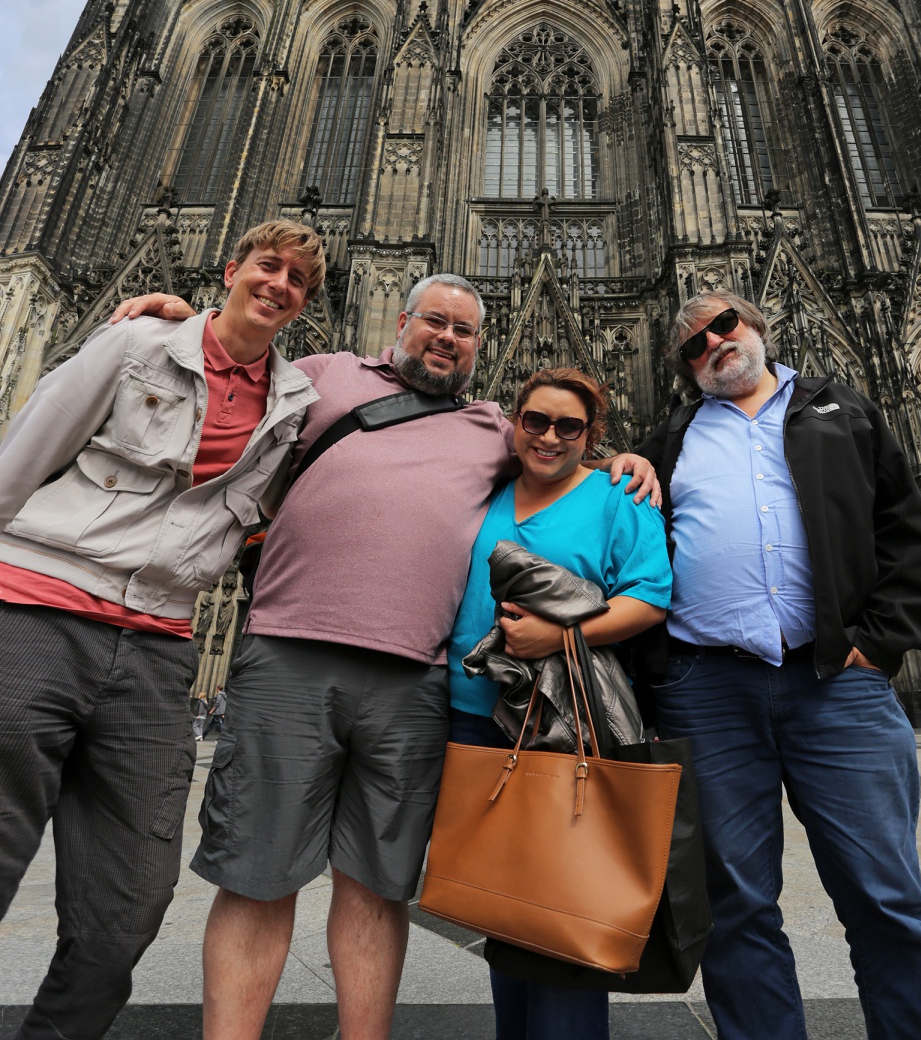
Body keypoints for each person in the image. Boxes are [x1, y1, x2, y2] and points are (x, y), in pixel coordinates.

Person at [114, 274, 660, 1040]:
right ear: (400, 323)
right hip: (289, 657)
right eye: (433, 321)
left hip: (413, 679)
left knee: (376, 885)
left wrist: (625, 460)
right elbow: (232, 378)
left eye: (464, 330)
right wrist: (188, 318)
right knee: (255, 876)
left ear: (479, 347)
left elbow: (555, 464)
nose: (446, 337)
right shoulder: (330, 375)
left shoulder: (491, 428)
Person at [0, 218, 325, 1040]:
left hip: (156, 641)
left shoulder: (293, 403)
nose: (279, 282)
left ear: (309, 305)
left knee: (131, 901)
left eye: (298, 278)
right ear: (232, 268)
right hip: (41, 611)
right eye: (267, 266)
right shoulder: (135, 345)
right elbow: (19, 462)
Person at [635, 290, 921, 1040]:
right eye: (694, 346)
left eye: (724, 326)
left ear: (755, 327)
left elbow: (905, 525)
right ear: (684, 370)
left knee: (886, 895)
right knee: (733, 904)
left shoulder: (841, 409)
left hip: (836, 684)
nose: (714, 345)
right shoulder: (669, 441)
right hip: (709, 688)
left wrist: (880, 643)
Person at [448, 367, 671, 1040]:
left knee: (563, 899)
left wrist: (560, 633)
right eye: (535, 421)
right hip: (471, 718)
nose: (548, 435)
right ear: (513, 424)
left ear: (592, 435)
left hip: (565, 717)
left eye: (568, 426)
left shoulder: (616, 495)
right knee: (503, 900)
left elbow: (651, 596)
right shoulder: (482, 488)